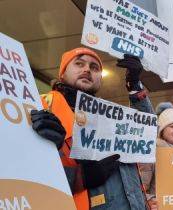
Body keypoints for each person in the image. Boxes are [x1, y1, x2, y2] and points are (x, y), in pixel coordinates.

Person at [30, 48, 148, 210]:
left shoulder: (110, 115)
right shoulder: (39, 108)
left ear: (99, 78)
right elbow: (27, 177)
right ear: (62, 73)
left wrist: (134, 84)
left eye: (94, 68)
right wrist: (81, 177)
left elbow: (146, 131)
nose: (87, 69)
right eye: (79, 64)